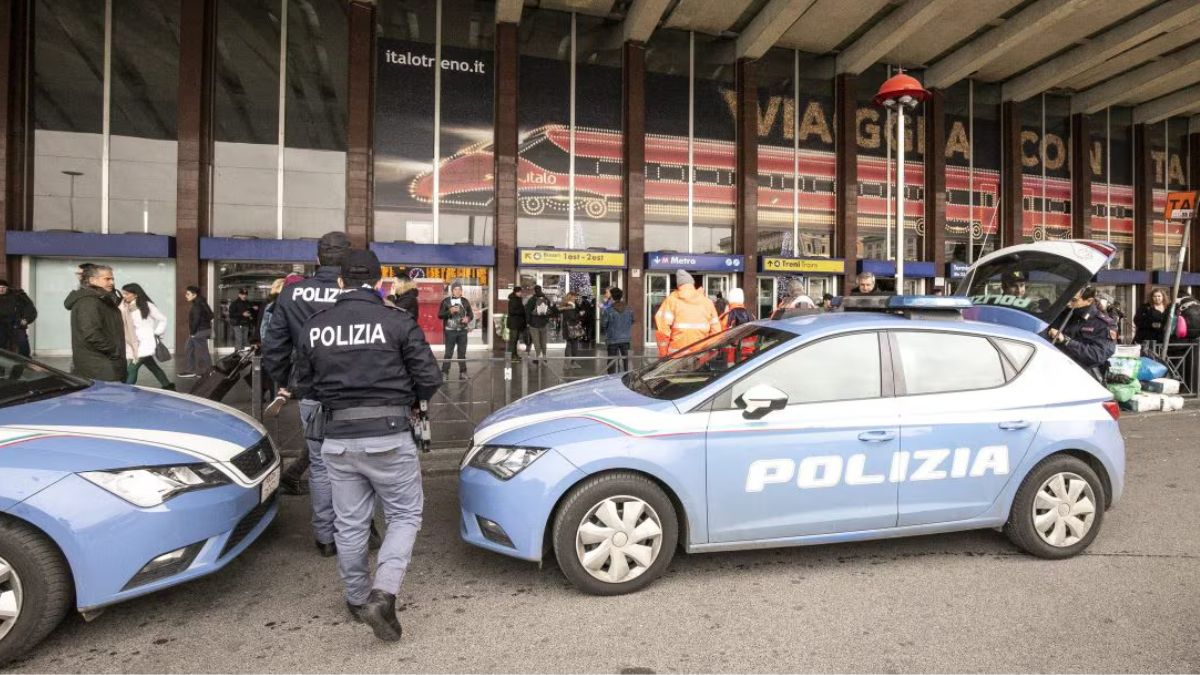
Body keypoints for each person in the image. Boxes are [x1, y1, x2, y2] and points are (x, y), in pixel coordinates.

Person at [294, 249, 441, 643]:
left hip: (338, 439)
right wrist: (408, 398)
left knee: (349, 522)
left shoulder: (316, 325)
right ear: (379, 283)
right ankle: (383, 593)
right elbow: (429, 377)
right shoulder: (397, 321)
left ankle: (357, 598)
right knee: (406, 515)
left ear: (339, 282)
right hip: (390, 434)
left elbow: (303, 384)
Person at [262, 231, 352, 539]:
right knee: (356, 462)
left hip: (312, 390)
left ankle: (325, 536)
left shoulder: (293, 293)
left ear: (317, 259)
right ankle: (354, 530)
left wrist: (289, 381)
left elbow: (273, 347)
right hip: (354, 392)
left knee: (320, 463)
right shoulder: (357, 293)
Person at [64, 265, 125, 381]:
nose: (111, 282)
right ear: (92, 280)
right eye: (107, 279)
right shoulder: (89, 302)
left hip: (105, 365)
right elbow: (92, 334)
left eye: (112, 279)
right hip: (100, 367)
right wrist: (114, 351)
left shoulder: (101, 299)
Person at [1047, 286, 1116, 378]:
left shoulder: (1103, 323)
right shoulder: (1061, 315)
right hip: (1055, 371)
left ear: (1089, 300)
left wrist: (1067, 341)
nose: (1068, 303)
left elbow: (1098, 355)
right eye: (1067, 299)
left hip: (1084, 375)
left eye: (1074, 300)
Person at [653, 270, 720, 357]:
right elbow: (716, 330)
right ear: (692, 284)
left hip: (676, 356)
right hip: (700, 354)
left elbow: (662, 330)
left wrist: (663, 354)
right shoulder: (707, 302)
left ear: (679, 285)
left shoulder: (671, 300)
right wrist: (710, 349)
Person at [120, 283, 173, 390]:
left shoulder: (147, 305)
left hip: (145, 343)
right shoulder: (125, 307)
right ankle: (168, 386)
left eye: (127, 293)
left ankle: (126, 392)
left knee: (132, 368)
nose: (124, 296)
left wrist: (157, 333)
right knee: (153, 367)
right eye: (123, 293)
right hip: (134, 342)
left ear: (136, 294)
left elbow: (163, 319)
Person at [438, 282, 472, 379]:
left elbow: (471, 314)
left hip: (462, 331)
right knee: (448, 353)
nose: (458, 291)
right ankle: (444, 372)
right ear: (452, 290)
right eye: (455, 289)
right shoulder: (446, 301)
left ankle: (463, 372)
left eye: (459, 289)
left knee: (462, 353)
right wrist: (450, 311)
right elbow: (440, 315)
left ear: (462, 291)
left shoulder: (465, 301)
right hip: (450, 331)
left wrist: (468, 319)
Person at [179, 286, 214, 377]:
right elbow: (211, 315)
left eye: (188, 294)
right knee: (189, 348)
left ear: (194, 295)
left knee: (202, 351)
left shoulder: (197, 305)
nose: (186, 296)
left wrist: (193, 333)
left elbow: (196, 320)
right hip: (202, 330)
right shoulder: (201, 302)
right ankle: (190, 370)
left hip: (199, 331)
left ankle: (208, 371)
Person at [600, 287, 634, 373]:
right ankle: (626, 374)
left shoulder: (608, 310)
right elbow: (632, 321)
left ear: (612, 297)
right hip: (625, 338)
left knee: (611, 360)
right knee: (625, 359)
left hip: (612, 339)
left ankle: (611, 378)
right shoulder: (629, 309)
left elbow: (604, 324)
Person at [0, 280, 37, 356]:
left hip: (16, 322)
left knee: (22, 342)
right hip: (1, 324)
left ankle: (25, 362)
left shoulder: (18, 295)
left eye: (3, 287)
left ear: (7, 288)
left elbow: (30, 308)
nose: (1, 289)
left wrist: (26, 319)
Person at [525, 285, 554, 363]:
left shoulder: (532, 300)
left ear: (534, 290)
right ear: (541, 290)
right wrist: (546, 320)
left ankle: (538, 357)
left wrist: (528, 322)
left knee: (536, 341)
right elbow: (550, 310)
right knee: (543, 341)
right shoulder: (546, 299)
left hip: (534, 324)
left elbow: (527, 311)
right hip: (543, 324)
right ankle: (544, 357)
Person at [559, 292, 584, 369]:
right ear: (570, 297)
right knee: (573, 345)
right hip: (571, 328)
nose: (575, 298)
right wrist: (580, 314)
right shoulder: (570, 305)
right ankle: (571, 363)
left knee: (569, 345)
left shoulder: (568, 305)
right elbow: (572, 317)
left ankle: (568, 363)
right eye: (574, 297)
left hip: (568, 328)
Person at [505, 286, 528, 360]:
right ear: (516, 292)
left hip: (517, 323)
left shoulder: (517, 299)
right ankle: (511, 356)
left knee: (515, 340)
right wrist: (522, 311)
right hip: (514, 323)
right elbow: (512, 311)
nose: (521, 293)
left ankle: (514, 355)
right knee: (513, 340)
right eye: (520, 292)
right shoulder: (513, 300)